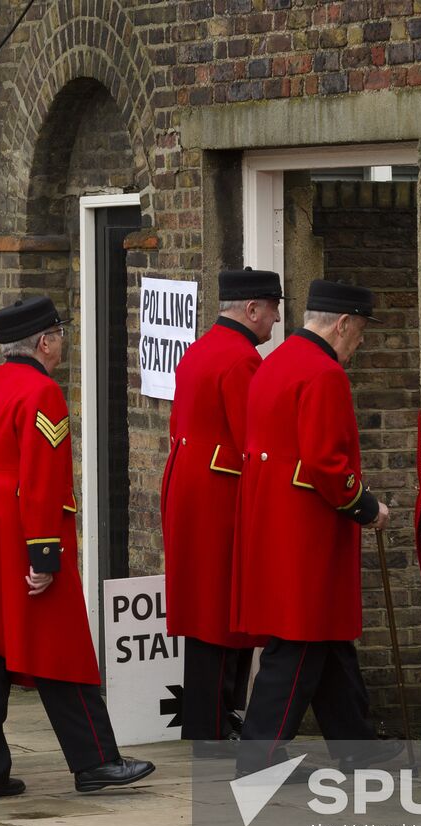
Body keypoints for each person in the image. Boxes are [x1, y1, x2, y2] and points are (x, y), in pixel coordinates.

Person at [0, 296, 154, 802]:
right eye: (58, 337)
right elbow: (41, 479)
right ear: (45, 342)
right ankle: (97, 762)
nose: (61, 346)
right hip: (18, 529)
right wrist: (44, 555)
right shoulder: (42, 393)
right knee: (62, 649)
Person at [232, 279, 398, 775]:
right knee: (299, 643)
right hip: (308, 530)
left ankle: (357, 747)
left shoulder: (276, 362)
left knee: (327, 640)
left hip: (275, 521)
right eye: (360, 331)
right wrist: (366, 506)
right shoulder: (324, 373)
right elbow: (326, 462)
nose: (360, 342)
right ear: (342, 323)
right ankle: (258, 758)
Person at [161, 268, 282, 747]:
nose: (275, 320)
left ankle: (210, 720)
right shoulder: (241, 360)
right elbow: (250, 440)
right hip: (221, 497)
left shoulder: (201, 348)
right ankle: (211, 726)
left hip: (191, 489)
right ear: (251, 309)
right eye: (272, 308)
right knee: (220, 616)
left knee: (209, 614)